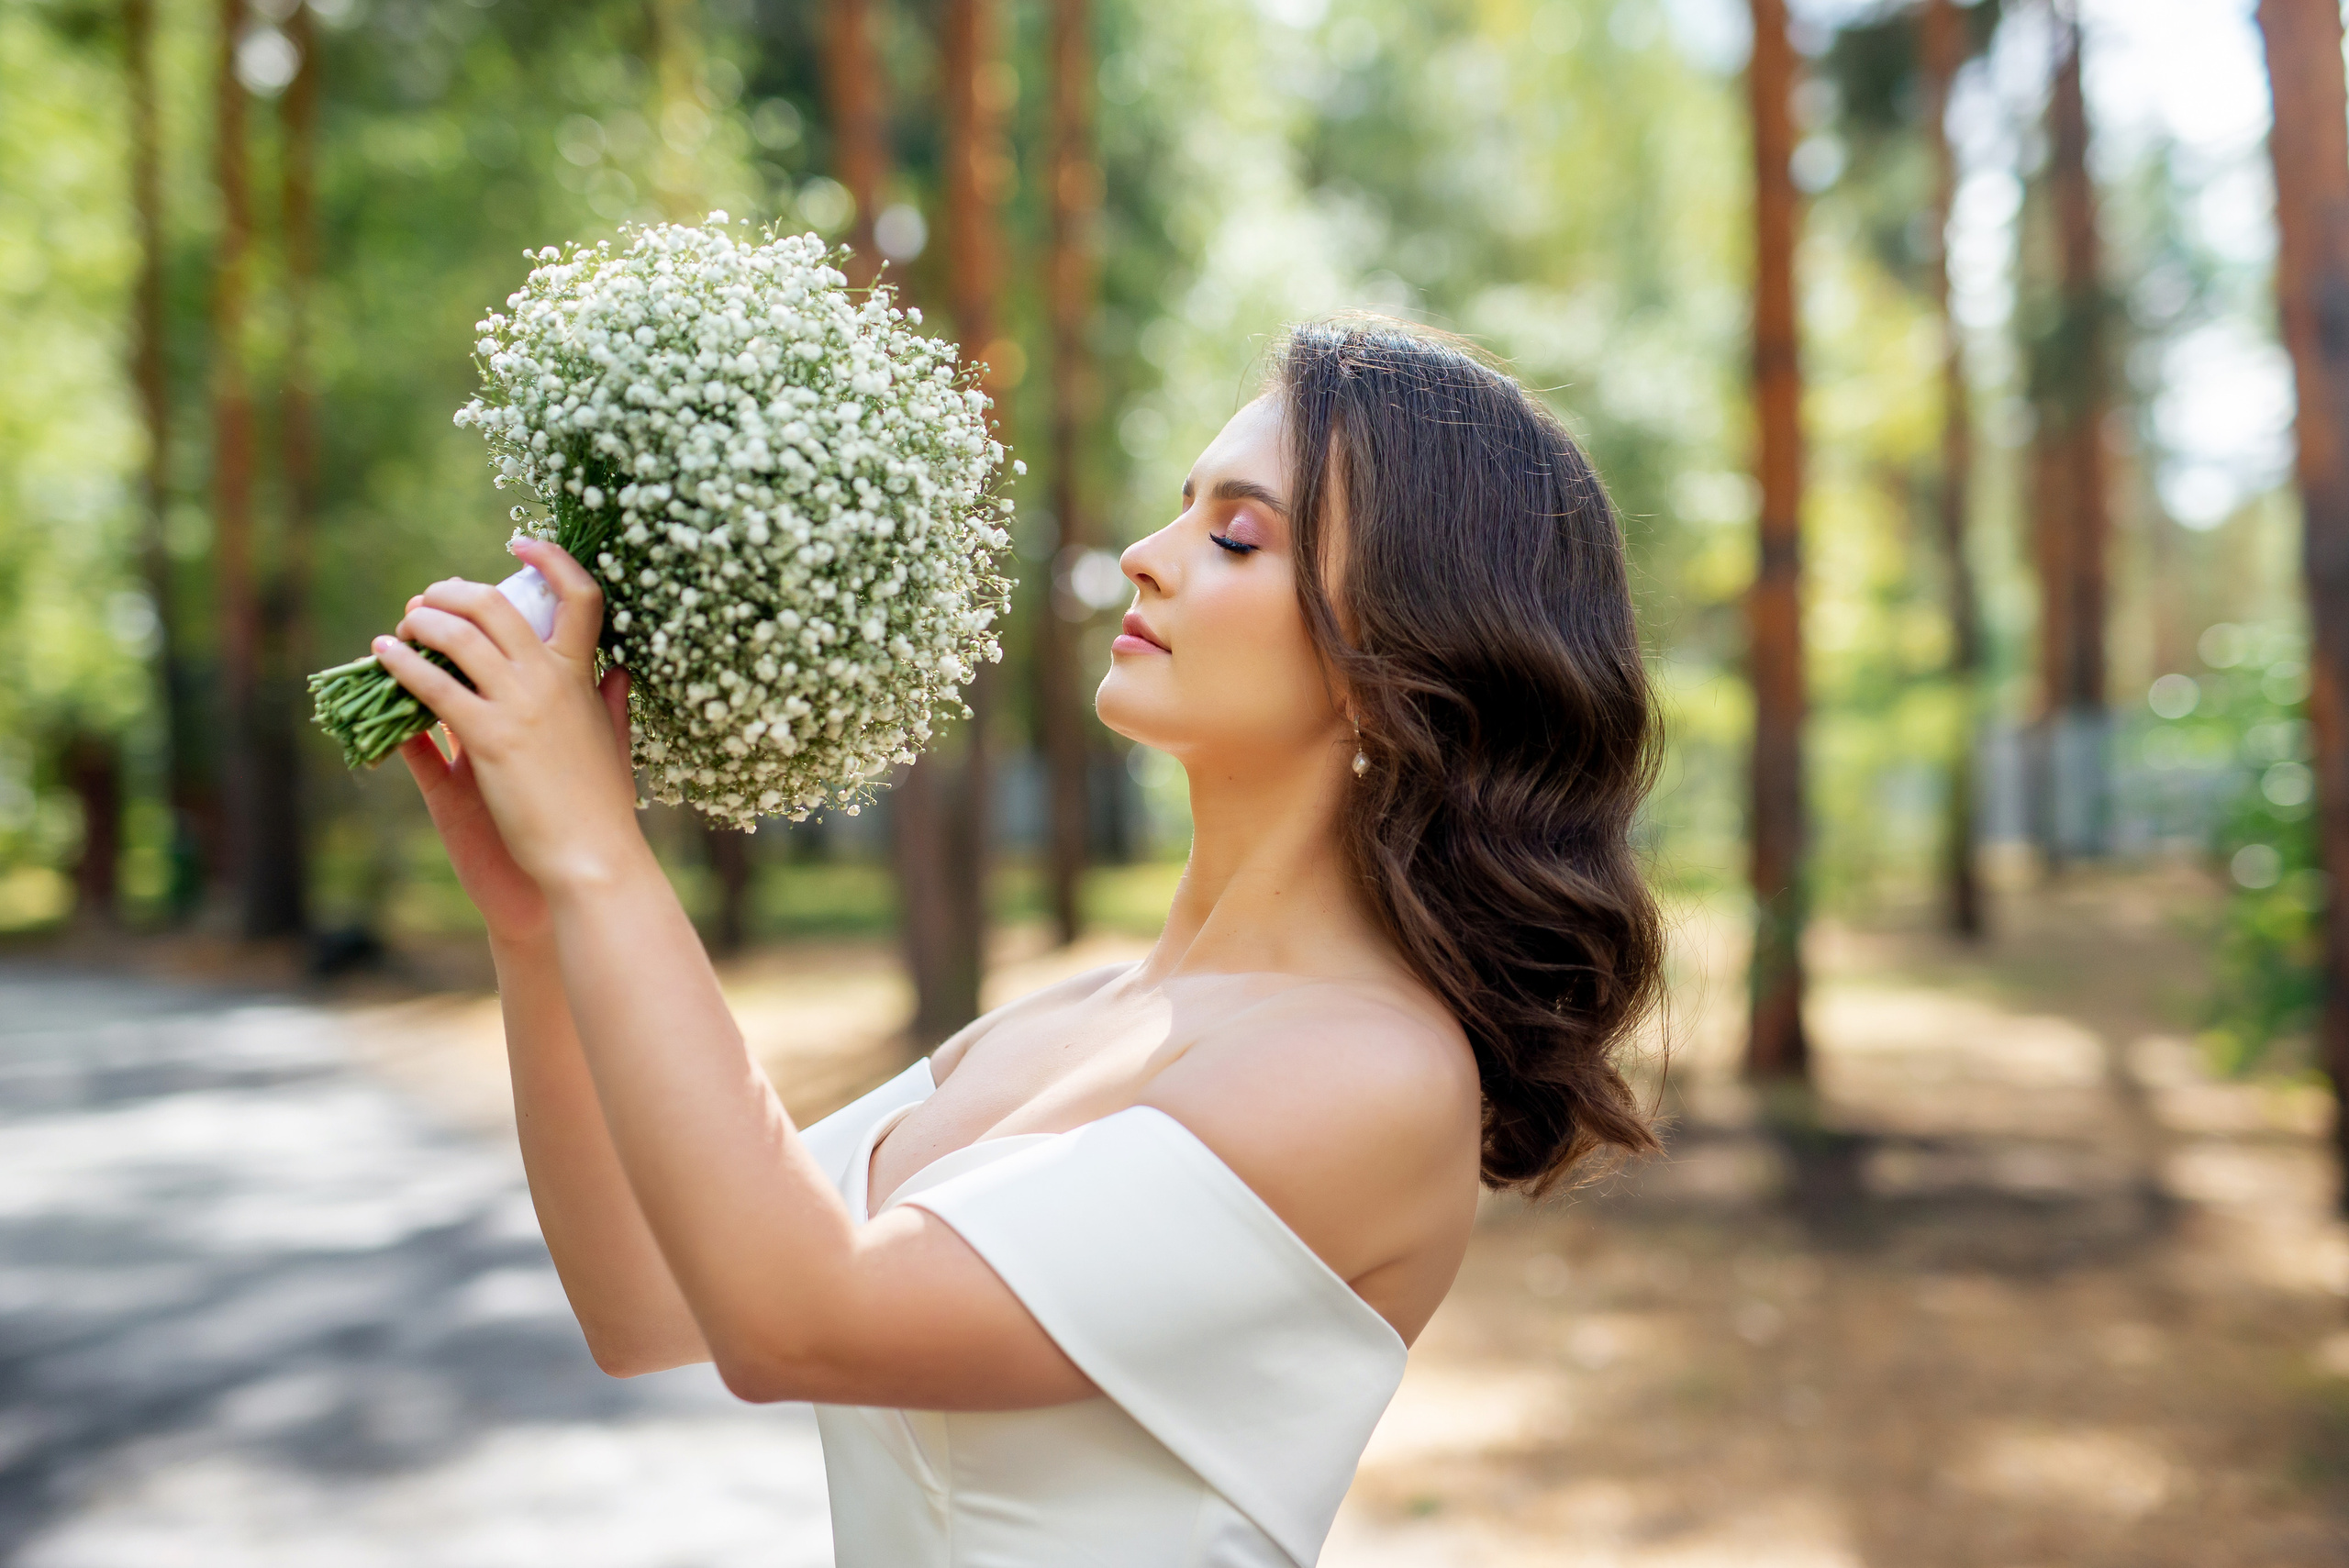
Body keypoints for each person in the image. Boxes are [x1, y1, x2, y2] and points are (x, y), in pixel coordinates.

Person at [375, 316, 1664, 1567]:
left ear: (1399, 661)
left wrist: (602, 854)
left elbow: (799, 1322)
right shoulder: (1063, 1020)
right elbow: (645, 1302)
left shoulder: (1373, 1073)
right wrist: (537, 925)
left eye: (1235, 536)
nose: (1144, 556)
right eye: (1181, 510)